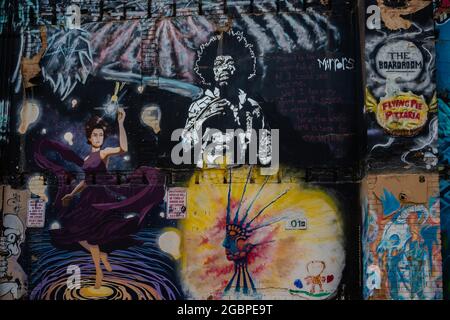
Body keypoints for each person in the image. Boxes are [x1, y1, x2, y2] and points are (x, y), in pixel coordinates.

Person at [34, 108, 164, 291]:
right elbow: (87, 181)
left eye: (100, 135)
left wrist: (120, 122)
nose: (98, 138)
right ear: (89, 137)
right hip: (87, 198)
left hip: (100, 198)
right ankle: (101, 256)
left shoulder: (104, 153)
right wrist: (71, 194)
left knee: (91, 237)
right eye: (95, 135)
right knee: (74, 231)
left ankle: (99, 273)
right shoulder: (87, 157)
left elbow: (123, 148)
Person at [182, 30, 271, 167]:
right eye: (218, 64)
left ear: (239, 67)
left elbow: (266, 157)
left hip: (241, 178)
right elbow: (185, 149)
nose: (223, 68)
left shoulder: (252, 108)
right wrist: (204, 117)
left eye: (228, 62)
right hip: (206, 179)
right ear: (210, 71)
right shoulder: (198, 107)